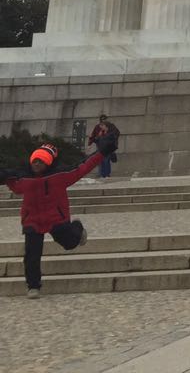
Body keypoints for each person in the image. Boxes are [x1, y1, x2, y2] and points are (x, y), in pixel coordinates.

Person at [3, 131, 115, 297]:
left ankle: (77, 228)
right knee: (32, 255)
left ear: (48, 163)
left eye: (41, 161)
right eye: (34, 161)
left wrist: (103, 152)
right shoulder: (23, 179)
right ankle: (33, 286)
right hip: (32, 220)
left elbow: (84, 166)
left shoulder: (61, 176)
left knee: (69, 243)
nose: (36, 164)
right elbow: (10, 181)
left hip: (55, 218)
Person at [89, 114, 120, 180]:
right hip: (100, 146)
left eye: (104, 120)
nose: (101, 126)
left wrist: (113, 142)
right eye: (102, 121)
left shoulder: (111, 127)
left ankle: (106, 174)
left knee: (106, 160)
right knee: (101, 160)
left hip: (108, 146)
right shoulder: (98, 128)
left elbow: (116, 134)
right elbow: (94, 136)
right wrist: (90, 142)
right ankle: (102, 174)